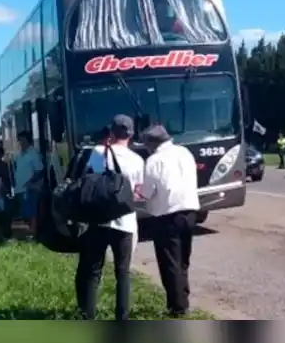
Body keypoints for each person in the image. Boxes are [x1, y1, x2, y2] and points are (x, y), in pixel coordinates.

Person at [75, 115, 144, 321]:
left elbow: (88, 179)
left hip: (99, 220)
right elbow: (137, 191)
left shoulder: (98, 152)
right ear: (131, 135)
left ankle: (88, 315)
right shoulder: (138, 159)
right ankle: (122, 318)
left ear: (111, 132)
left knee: (93, 271)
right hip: (126, 222)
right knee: (123, 272)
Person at [138, 124, 199, 318]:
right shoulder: (184, 152)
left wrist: (139, 190)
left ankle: (178, 307)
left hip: (167, 216)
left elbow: (148, 192)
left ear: (151, 144)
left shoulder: (154, 160)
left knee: (169, 263)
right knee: (183, 260)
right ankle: (183, 297)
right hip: (190, 211)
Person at [13, 131, 44, 237]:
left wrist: (30, 183)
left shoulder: (34, 154)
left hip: (30, 188)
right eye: (19, 140)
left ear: (28, 140)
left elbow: (39, 171)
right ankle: (27, 231)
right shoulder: (18, 155)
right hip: (19, 188)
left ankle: (33, 232)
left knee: (32, 211)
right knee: (25, 211)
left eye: (22, 140)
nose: (21, 142)